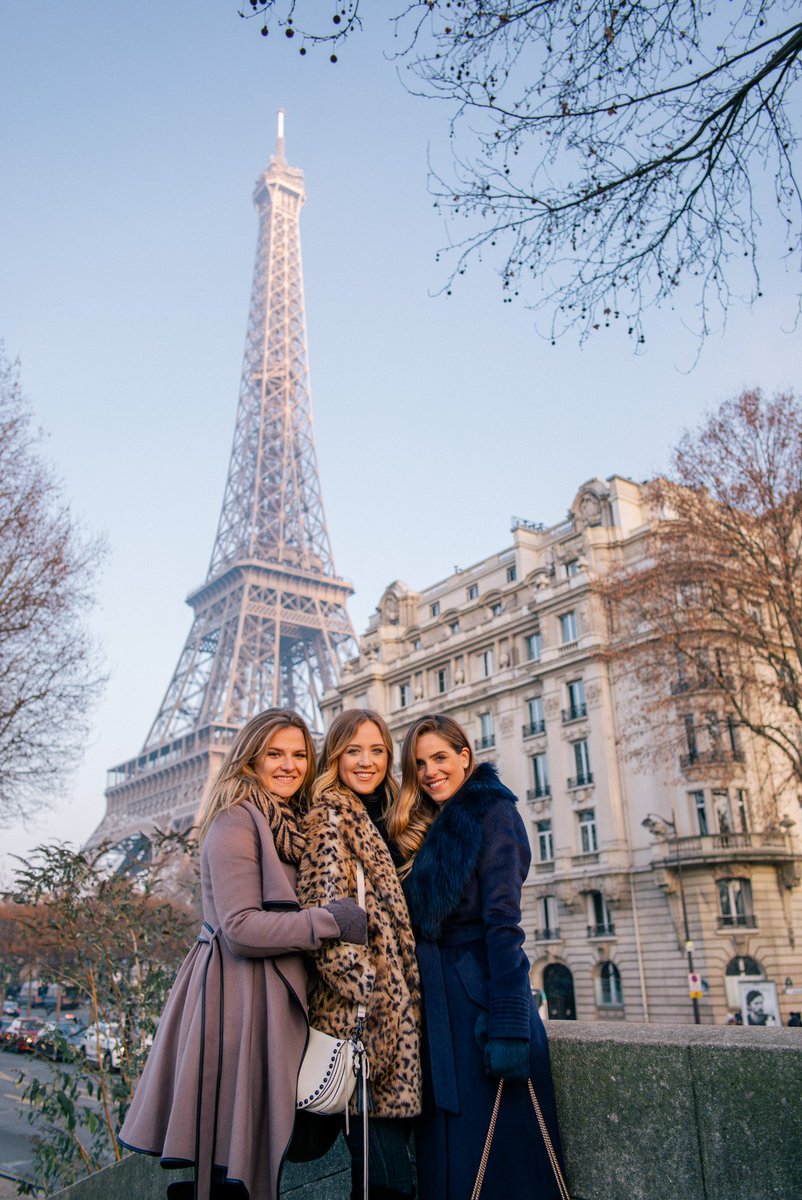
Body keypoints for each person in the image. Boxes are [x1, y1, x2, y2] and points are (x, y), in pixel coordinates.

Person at [117, 708, 367, 1200]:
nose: (289, 765)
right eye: (275, 754)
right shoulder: (235, 820)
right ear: (250, 759)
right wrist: (331, 921)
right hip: (237, 1002)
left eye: (300, 755)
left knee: (248, 1152)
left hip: (272, 1001)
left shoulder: (291, 825)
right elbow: (240, 928)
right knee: (234, 1155)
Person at [388, 714, 566, 1200]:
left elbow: (504, 926)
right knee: (450, 1160)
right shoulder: (431, 823)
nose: (430, 772)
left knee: (492, 1165)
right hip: (437, 1011)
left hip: (481, 1011)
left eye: (440, 758)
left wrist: (508, 1026)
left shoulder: (493, 813)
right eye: (419, 764)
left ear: (465, 757)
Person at [296, 709, 421, 1200]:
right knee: (386, 1181)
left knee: (384, 1177)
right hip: (363, 1028)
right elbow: (323, 918)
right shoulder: (330, 818)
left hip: (397, 1028)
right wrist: (372, 988)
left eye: (377, 750)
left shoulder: (391, 817)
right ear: (334, 756)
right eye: (353, 751)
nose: (366, 761)